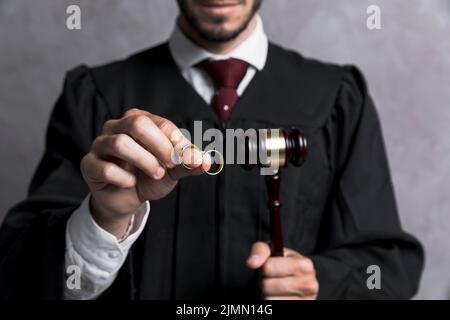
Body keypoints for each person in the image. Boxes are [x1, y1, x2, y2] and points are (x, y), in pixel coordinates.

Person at [0, 0, 423, 300]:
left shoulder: (336, 99)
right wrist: (105, 218)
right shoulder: (97, 97)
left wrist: (322, 283)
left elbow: (386, 267)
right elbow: (20, 272)